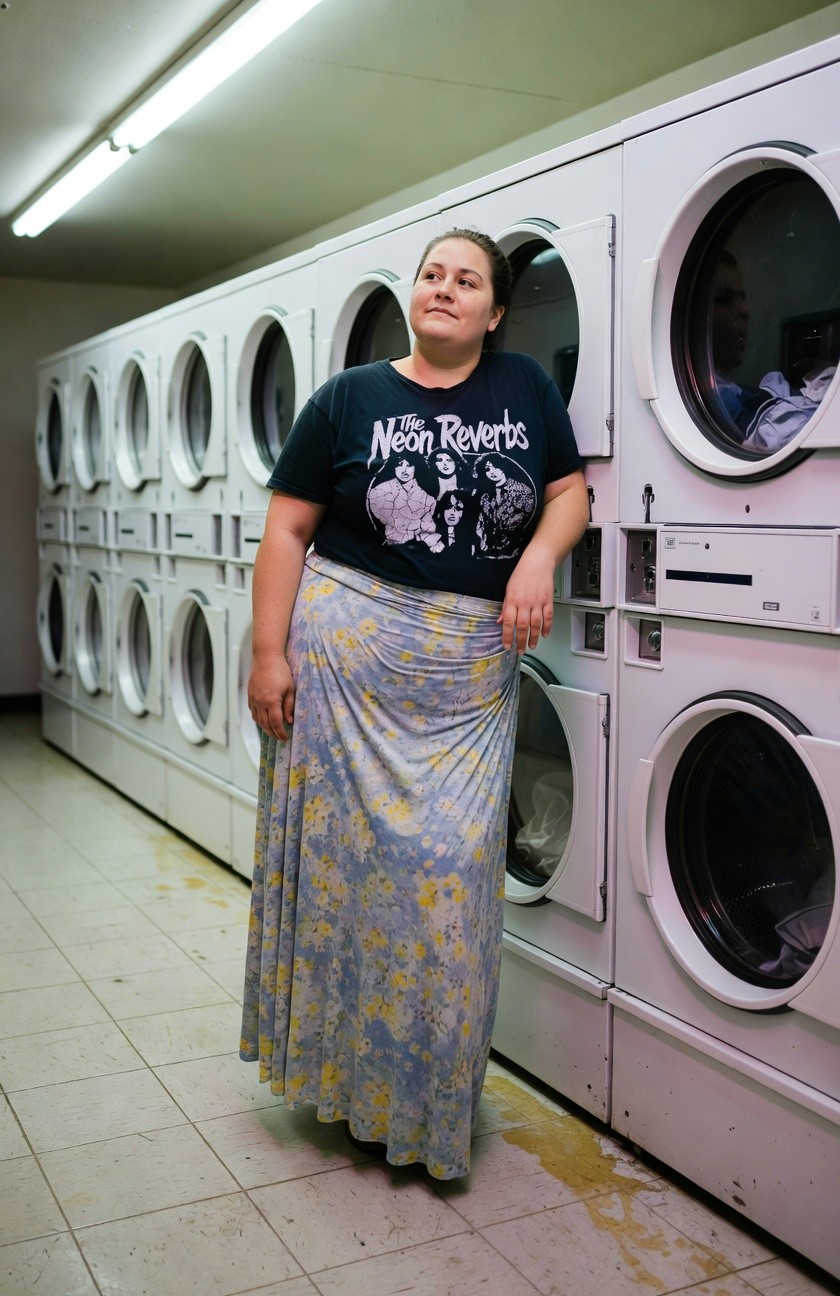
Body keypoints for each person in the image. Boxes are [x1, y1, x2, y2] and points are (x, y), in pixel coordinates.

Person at [240, 227, 590, 1180]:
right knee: (343, 882)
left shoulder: (524, 387)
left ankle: (424, 1108)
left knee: (452, 886)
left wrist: (538, 556)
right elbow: (287, 531)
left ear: (495, 309)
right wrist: (267, 654)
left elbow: (569, 493)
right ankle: (345, 1089)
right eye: (431, 275)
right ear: (413, 295)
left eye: (466, 280)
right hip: (344, 670)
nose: (443, 289)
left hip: (466, 681)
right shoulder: (348, 398)